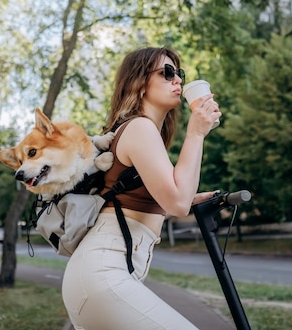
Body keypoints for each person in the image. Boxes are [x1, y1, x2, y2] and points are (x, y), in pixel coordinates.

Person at [62, 46, 222, 330]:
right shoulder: (139, 128)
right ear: (139, 82)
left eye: (179, 73)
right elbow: (178, 203)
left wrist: (184, 198)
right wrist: (196, 132)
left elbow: (166, 199)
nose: (178, 81)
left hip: (99, 275)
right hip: (103, 274)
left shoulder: (140, 132)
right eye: (167, 73)